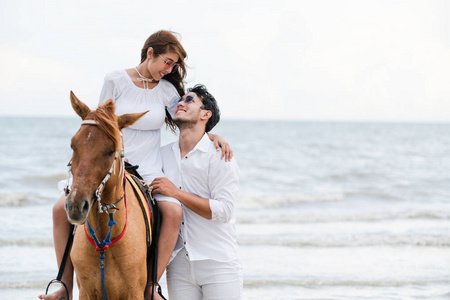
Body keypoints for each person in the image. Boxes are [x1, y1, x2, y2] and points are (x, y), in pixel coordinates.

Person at [39, 31, 232, 300]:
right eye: (168, 61)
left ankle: (152, 284)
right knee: (61, 208)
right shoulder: (115, 80)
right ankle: (64, 285)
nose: (170, 69)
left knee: (173, 213)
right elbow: (99, 124)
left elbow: (189, 119)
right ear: (150, 53)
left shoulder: (167, 91)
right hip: (113, 163)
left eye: (174, 65)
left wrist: (212, 136)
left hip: (148, 167)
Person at [150, 85, 242, 300]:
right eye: (179, 101)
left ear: (205, 114)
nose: (181, 103)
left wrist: (176, 193)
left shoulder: (220, 156)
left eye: (189, 100)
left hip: (218, 261)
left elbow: (225, 211)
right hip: (178, 263)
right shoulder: (161, 155)